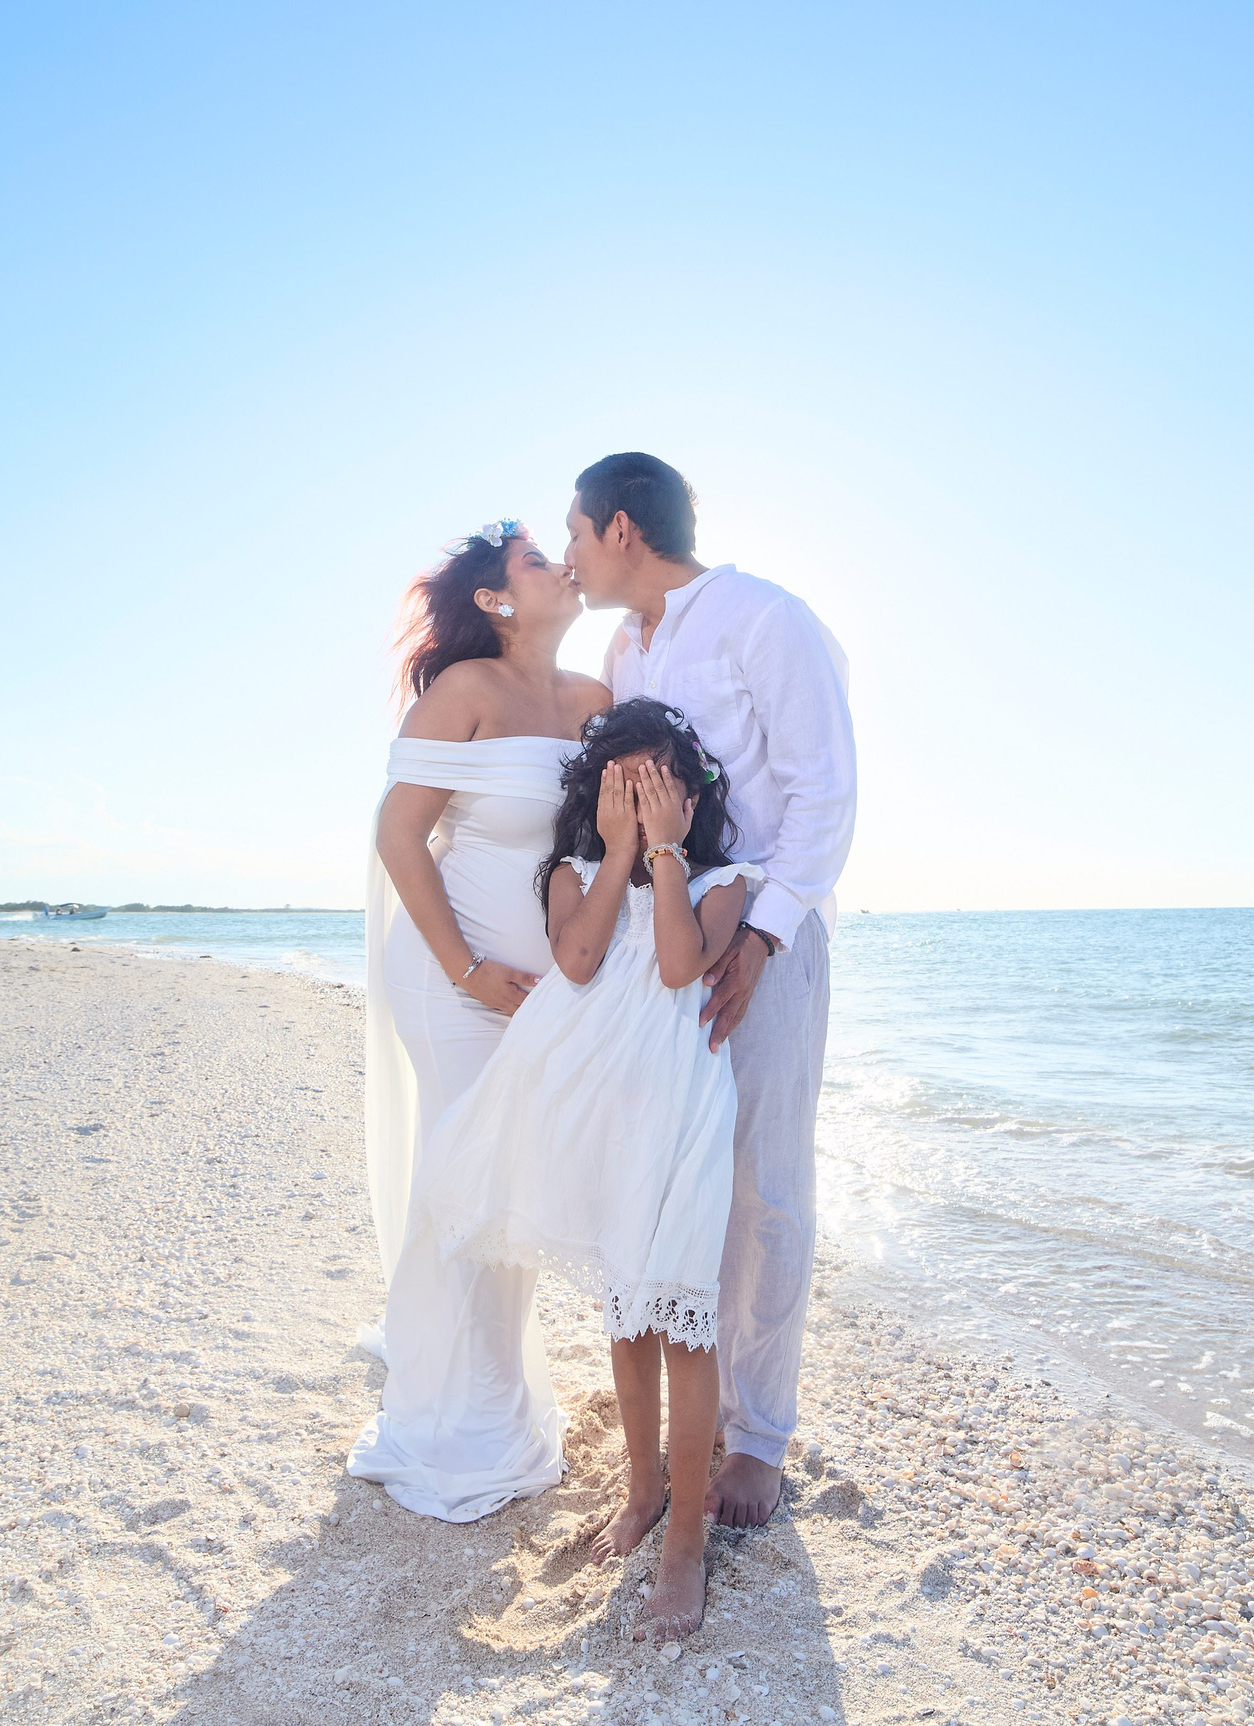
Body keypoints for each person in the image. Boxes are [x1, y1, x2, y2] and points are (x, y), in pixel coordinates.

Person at [423, 699, 760, 1642]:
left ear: (692, 796)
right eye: (627, 788)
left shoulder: (724, 883)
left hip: (683, 1114)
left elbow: (677, 967)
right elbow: (576, 962)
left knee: (681, 1311)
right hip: (608, 1120)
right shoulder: (575, 875)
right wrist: (617, 854)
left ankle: (685, 1537)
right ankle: (643, 1489)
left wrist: (667, 853)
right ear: (598, 797)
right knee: (626, 1309)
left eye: (662, 786)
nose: (646, 804)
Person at [564, 454, 856, 1529]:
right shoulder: (622, 649)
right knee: (676, 1178)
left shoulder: (763, 618)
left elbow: (826, 794)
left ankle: (758, 1435)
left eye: (575, 533)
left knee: (764, 1184)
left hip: (766, 932)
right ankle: (695, 1405)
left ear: (622, 529)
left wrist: (765, 935)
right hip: (667, 949)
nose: (569, 555)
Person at [346, 520, 612, 1522]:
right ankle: (459, 1423)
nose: (562, 566)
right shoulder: (465, 691)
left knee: (516, 1179)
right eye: (536, 561)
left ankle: (486, 1392)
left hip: (543, 990)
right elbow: (398, 835)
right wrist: (466, 969)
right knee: (470, 1180)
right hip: (445, 974)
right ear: (496, 600)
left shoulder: (593, 700)